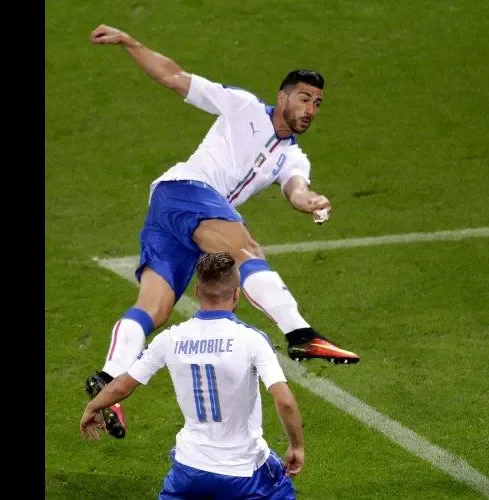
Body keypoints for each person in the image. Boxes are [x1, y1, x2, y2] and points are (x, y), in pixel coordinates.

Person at [84, 24, 360, 439]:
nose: (310, 109)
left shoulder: (294, 158)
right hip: (186, 190)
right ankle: (300, 333)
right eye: (304, 98)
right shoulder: (242, 106)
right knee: (245, 249)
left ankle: (108, 377)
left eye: (317, 103)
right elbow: (173, 77)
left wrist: (313, 200)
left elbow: (297, 191)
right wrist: (129, 42)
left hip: (176, 217)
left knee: (155, 308)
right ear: (283, 97)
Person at [81, 252, 305, 499]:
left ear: (197, 291)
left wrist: (92, 407)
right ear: (236, 294)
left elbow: (121, 386)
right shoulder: (252, 339)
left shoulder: (169, 338)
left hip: (188, 470)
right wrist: (296, 446)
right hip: (245, 471)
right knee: (279, 487)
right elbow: (284, 401)